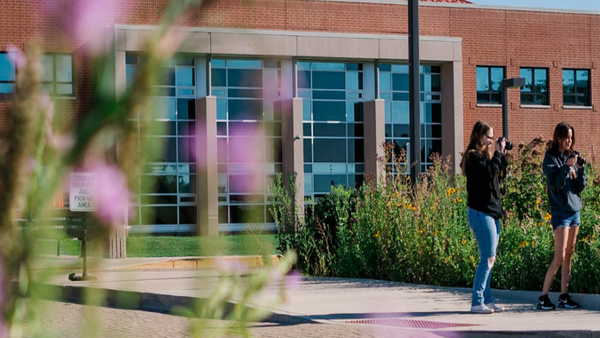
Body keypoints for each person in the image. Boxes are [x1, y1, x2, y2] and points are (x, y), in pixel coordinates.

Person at [460, 121, 508, 314]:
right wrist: (496, 154)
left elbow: (497, 173)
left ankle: (487, 299)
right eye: (488, 137)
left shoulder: (484, 157)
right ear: (479, 136)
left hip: (491, 213)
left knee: (491, 258)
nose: (490, 141)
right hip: (480, 213)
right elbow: (489, 173)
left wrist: (502, 154)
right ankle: (477, 301)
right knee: (486, 257)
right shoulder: (473, 158)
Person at [537, 122, 586, 310]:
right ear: (558, 137)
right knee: (559, 256)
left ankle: (564, 296)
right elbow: (556, 184)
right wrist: (566, 167)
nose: (570, 141)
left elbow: (578, 187)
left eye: (572, 138)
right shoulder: (550, 159)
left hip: (575, 212)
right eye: (567, 137)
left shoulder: (570, 157)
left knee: (569, 256)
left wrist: (580, 170)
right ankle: (543, 297)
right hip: (560, 214)